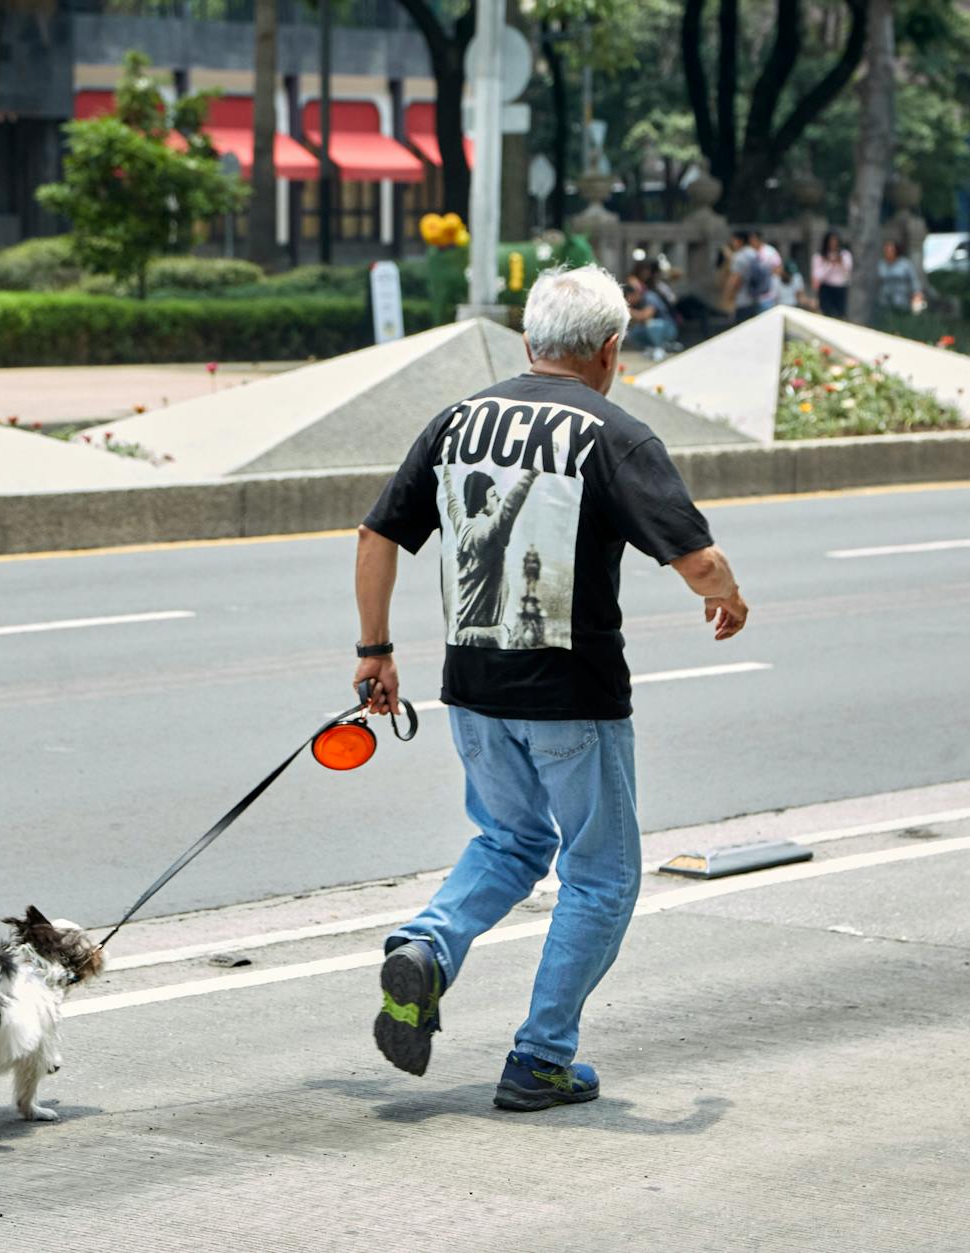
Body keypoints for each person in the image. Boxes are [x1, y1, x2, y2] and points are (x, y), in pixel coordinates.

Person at [353, 265, 749, 1111]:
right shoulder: (614, 434)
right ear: (610, 350)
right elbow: (699, 561)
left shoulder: (458, 422)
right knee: (601, 874)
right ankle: (540, 1057)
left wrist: (376, 649)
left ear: (529, 341)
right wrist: (727, 597)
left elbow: (378, 531)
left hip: (474, 690)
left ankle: (428, 944)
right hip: (573, 694)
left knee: (509, 840)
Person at [623, 260, 679, 359]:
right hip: (655, 328)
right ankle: (652, 347)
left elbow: (646, 316)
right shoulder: (639, 301)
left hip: (668, 328)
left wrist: (628, 311)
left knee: (652, 325)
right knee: (631, 333)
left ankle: (660, 348)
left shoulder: (649, 296)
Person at [722, 228, 770, 325]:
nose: (732, 243)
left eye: (733, 240)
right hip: (756, 298)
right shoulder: (754, 253)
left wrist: (726, 298)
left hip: (743, 301)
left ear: (740, 241)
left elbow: (735, 279)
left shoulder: (740, 257)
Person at [812, 231, 852, 318]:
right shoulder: (819, 256)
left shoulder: (845, 255)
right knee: (827, 314)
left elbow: (848, 274)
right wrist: (829, 264)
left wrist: (840, 263)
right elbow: (817, 276)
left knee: (840, 315)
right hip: (826, 289)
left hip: (841, 288)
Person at [877, 239, 921, 314]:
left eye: (890, 250)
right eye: (886, 250)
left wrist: (917, 296)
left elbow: (914, 281)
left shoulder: (905, 264)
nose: (888, 253)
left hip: (902, 300)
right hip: (885, 301)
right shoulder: (881, 265)